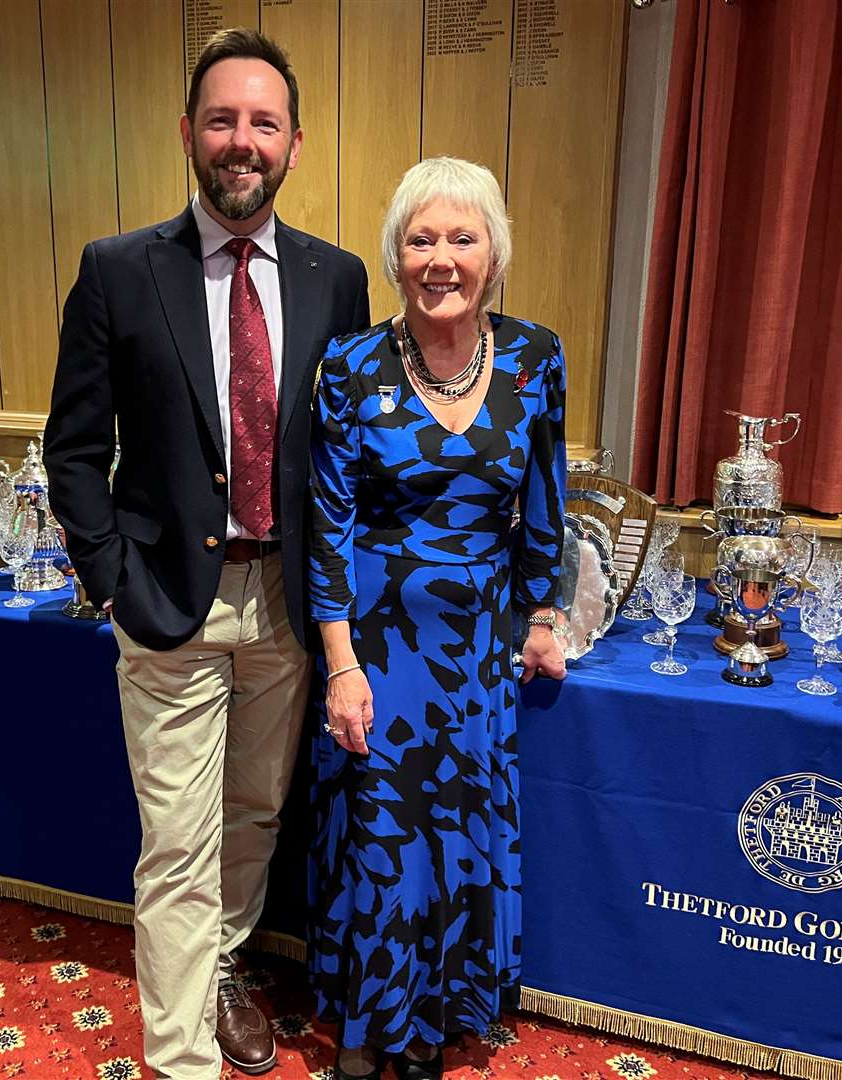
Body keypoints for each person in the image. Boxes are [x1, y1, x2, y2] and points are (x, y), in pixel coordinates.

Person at [43, 28, 369, 1080]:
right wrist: (112, 584)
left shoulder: (338, 278)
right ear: (188, 134)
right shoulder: (118, 270)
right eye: (222, 120)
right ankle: (176, 1058)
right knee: (177, 846)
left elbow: (345, 449)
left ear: (295, 144)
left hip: (289, 601)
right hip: (170, 603)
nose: (242, 141)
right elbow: (75, 449)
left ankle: (223, 966)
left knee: (255, 816)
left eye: (262, 123)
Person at [307, 157, 567, 1079]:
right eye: (422, 239)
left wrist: (546, 612)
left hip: (481, 638)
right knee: (385, 829)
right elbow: (328, 523)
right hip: (377, 638)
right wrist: (340, 662)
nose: (442, 258)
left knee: (456, 827)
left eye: (463, 237)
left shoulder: (536, 357)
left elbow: (545, 502)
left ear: (493, 254)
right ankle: (372, 1029)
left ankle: (434, 1023)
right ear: (396, 255)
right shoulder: (349, 364)